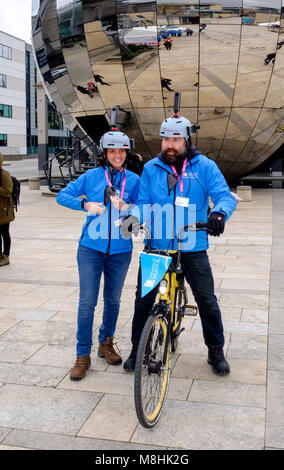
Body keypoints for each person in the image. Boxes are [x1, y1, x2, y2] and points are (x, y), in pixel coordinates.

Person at [122, 110, 236, 375]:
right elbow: (143, 203)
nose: (169, 145)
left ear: (186, 140)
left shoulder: (204, 166)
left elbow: (223, 195)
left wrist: (218, 213)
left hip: (192, 245)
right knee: (143, 299)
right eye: (165, 140)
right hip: (158, 245)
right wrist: (134, 219)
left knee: (207, 300)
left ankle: (215, 350)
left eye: (175, 140)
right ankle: (137, 347)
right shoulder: (151, 168)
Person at [56, 127, 140, 380]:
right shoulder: (92, 176)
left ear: (126, 153)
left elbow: (140, 214)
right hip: (90, 249)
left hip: (121, 251)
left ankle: (106, 343)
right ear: (105, 153)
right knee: (87, 303)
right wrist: (85, 204)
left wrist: (129, 211)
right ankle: (83, 354)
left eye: (121, 151)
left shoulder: (134, 180)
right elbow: (62, 196)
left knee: (113, 301)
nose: (117, 155)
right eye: (112, 151)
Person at [0, 152, 15, 266]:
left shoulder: (4, 174)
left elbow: (7, 191)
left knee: (5, 233)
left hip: (4, 210)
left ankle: (6, 256)